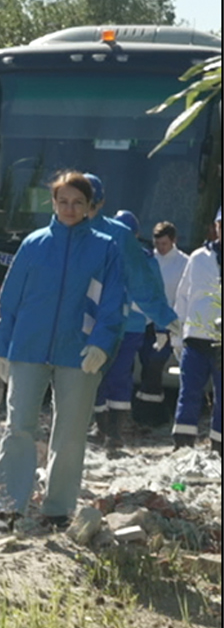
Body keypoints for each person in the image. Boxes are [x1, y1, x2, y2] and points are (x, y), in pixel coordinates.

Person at [0, 171, 125, 532]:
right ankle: (7, 508)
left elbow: (113, 303)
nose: (69, 208)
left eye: (78, 202)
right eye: (63, 201)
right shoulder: (34, 243)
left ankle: (58, 509)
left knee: (70, 433)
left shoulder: (105, 248)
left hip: (79, 353)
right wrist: (2, 345)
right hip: (28, 349)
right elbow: (11, 300)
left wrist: (101, 344)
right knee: (18, 427)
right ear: (53, 203)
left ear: (90, 207)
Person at [82, 177, 177, 451]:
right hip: (101, 323)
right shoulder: (68, 236)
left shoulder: (133, 251)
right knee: (102, 378)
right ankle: (102, 429)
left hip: (125, 326)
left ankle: (111, 431)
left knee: (113, 377)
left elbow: (148, 289)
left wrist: (163, 320)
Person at [172, 209, 221, 453]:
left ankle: (219, 447)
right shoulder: (198, 258)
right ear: (216, 226)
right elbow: (182, 296)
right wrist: (176, 335)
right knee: (189, 392)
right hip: (196, 337)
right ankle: (182, 445)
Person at [135, 220, 187, 419]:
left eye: (164, 244)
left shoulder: (184, 262)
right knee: (146, 364)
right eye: (157, 244)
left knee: (156, 364)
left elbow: (183, 294)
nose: (160, 248)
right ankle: (150, 409)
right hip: (145, 321)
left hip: (168, 323)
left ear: (173, 241)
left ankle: (149, 411)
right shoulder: (148, 259)